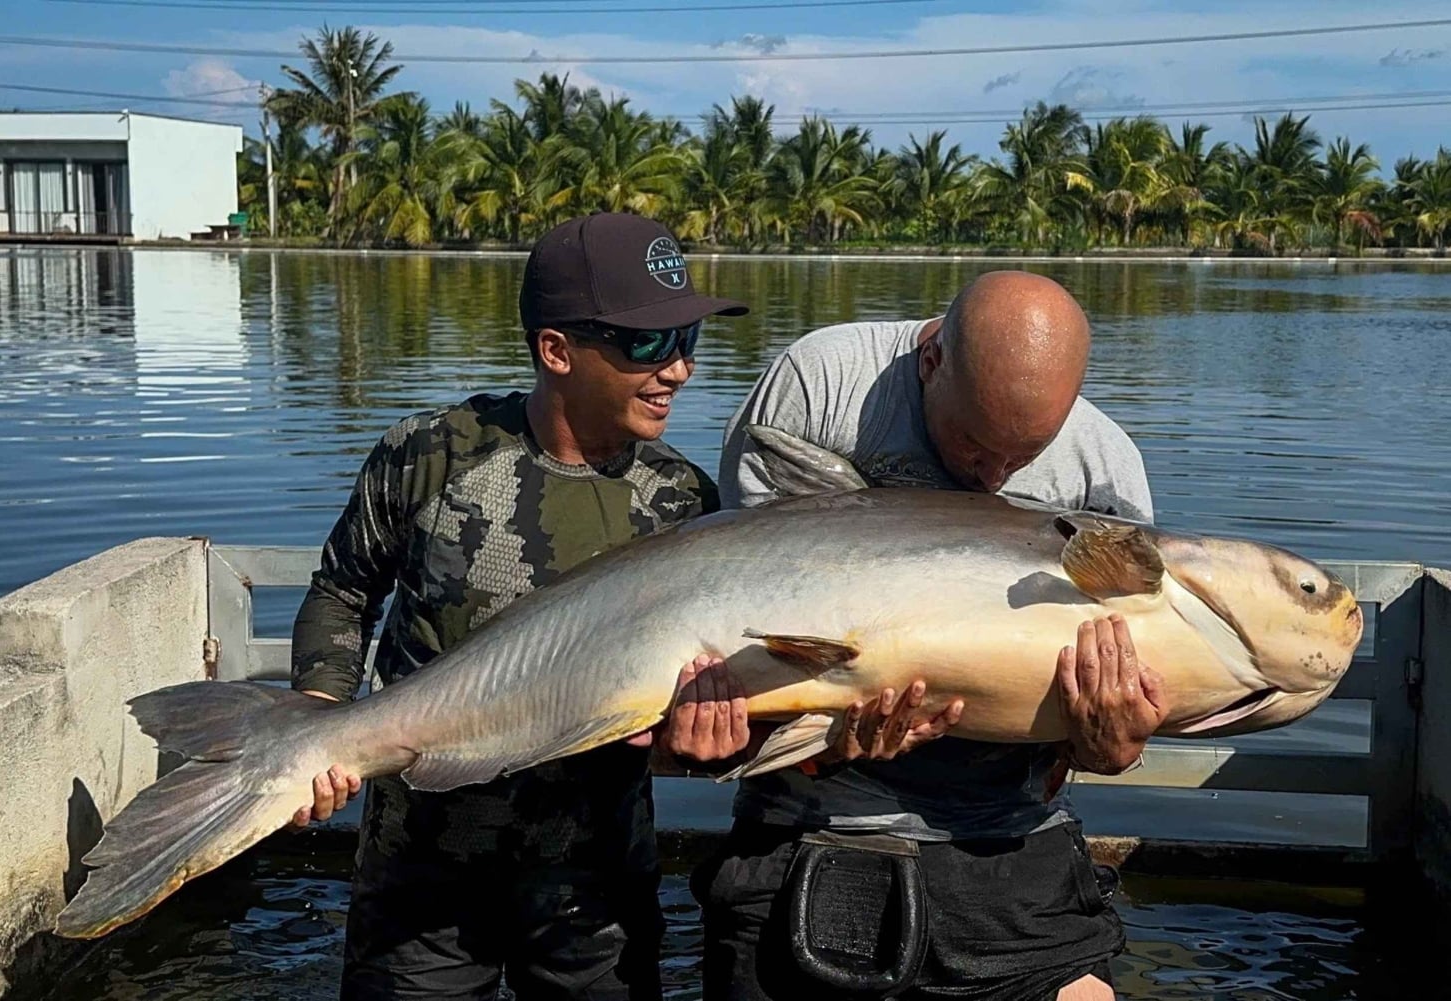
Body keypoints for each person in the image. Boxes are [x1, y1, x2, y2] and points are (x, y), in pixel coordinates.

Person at [285, 211, 750, 1001]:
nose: (679, 370)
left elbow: (704, 691)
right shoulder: (429, 455)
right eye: (647, 343)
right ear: (557, 350)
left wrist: (714, 744)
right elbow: (343, 587)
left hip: (593, 892)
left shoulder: (683, 501)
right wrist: (315, 717)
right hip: (418, 881)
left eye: (686, 342)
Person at [692, 270, 1169, 1001]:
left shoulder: (1104, 467)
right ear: (931, 361)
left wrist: (1115, 744)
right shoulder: (824, 388)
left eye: (1024, 455)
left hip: (1010, 829)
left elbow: (1111, 715)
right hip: (814, 817)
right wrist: (833, 737)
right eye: (976, 443)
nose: (995, 473)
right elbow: (753, 613)